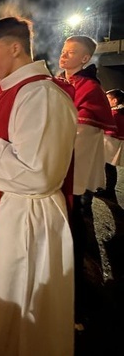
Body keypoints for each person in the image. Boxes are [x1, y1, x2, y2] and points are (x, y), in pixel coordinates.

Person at [0, 16, 78, 356]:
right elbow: (4, 142)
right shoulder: (15, 91)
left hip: (30, 217)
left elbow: (38, 173)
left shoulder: (40, 94)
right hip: (11, 208)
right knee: (6, 299)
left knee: (23, 304)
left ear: (16, 47)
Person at [58, 34, 115, 330]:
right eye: (63, 50)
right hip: (60, 168)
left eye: (72, 52)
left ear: (85, 59)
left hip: (75, 172)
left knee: (78, 228)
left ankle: (80, 299)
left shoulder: (90, 88)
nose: (64, 55)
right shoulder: (59, 80)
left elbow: (85, 134)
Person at [96, 88, 124, 198]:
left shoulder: (114, 114)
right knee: (109, 167)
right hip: (114, 143)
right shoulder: (120, 113)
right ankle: (108, 188)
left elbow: (108, 128)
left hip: (110, 142)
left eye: (108, 99)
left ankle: (108, 190)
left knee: (108, 167)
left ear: (115, 101)